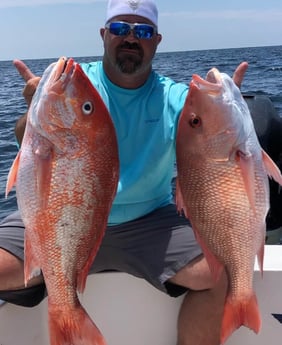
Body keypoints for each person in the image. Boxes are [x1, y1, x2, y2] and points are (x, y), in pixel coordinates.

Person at [0, 0, 249, 344]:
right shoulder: (76, 85)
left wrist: (229, 114)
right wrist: (34, 111)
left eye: (142, 31)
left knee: (219, 273)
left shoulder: (175, 98)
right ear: (104, 35)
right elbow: (27, 144)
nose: (131, 38)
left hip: (148, 222)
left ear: (156, 41)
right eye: (120, 29)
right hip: (60, 218)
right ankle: (55, 284)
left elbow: (208, 140)